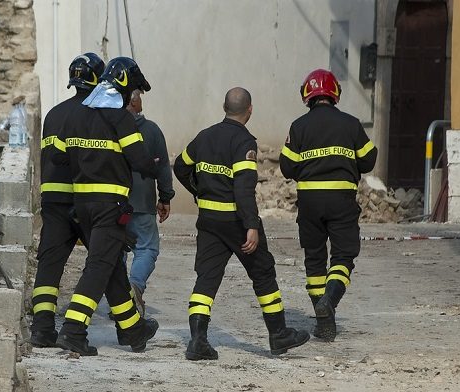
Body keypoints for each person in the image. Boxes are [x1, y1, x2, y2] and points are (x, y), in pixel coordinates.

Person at [174, 87, 310, 360]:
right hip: (236, 221)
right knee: (263, 272)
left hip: (209, 221)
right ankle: (278, 334)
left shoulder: (205, 136)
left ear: (225, 108)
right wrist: (250, 225)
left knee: (207, 278)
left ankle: (197, 341)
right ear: (249, 110)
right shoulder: (244, 142)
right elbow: (243, 188)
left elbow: (180, 166)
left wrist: (198, 190)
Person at [51, 57, 160, 356]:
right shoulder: (121, 119)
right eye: (133, 91)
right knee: (99, 267)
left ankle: (133, 330)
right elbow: (140, 161)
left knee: (111, 267)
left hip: (82, 205)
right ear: (125, 88)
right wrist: (154, 167)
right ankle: (73, 331)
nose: (132, 98)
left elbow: (59, 156)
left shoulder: (76, 116)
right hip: (110, 206)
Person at [279, 69, 377, 341]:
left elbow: (287, 166)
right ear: (335, 93)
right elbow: (369, 160)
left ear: (307, 96)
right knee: (344, 256)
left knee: (314, 260)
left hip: (309, 203)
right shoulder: (351, 124)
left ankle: (324, 322)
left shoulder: (298, 126)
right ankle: (329, 303)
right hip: (341, 201)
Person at [29, 53, 105, 348]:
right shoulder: (93, 115)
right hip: (83, 199)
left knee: (50, 264)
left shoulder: (54, 114)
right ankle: (129, 327)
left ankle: (41, 328)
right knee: (103, 260)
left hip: (53, 199)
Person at [125, 89, 175, 317]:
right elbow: (163, 167)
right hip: (142, 204)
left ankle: (119, 296)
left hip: (111, 204)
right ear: (134, 102)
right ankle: (134, 286)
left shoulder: (105, 127)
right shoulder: (152, 131)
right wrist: (165, 198)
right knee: (146, 248)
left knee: (114, 250)